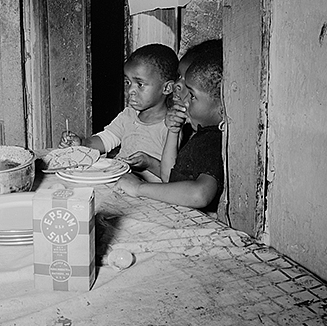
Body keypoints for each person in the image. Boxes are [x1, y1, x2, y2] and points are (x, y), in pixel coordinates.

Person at [115, 49, 224, 213]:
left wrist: (139, 188)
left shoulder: (213, 140)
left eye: (192, 96)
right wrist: (173, 132)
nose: (185, 101)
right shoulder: (201, 136)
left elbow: (200, 194)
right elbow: (169, 178)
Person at [58, 43, 178, 168]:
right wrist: (82, 143)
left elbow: (171, 174)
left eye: (140, 84)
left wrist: (149, 163)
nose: (130, 90)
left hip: (148, 181)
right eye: (128, 82)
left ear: (167, 88)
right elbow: (106, 140)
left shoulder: (172, 126)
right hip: (120, 176)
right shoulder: (128, 115)